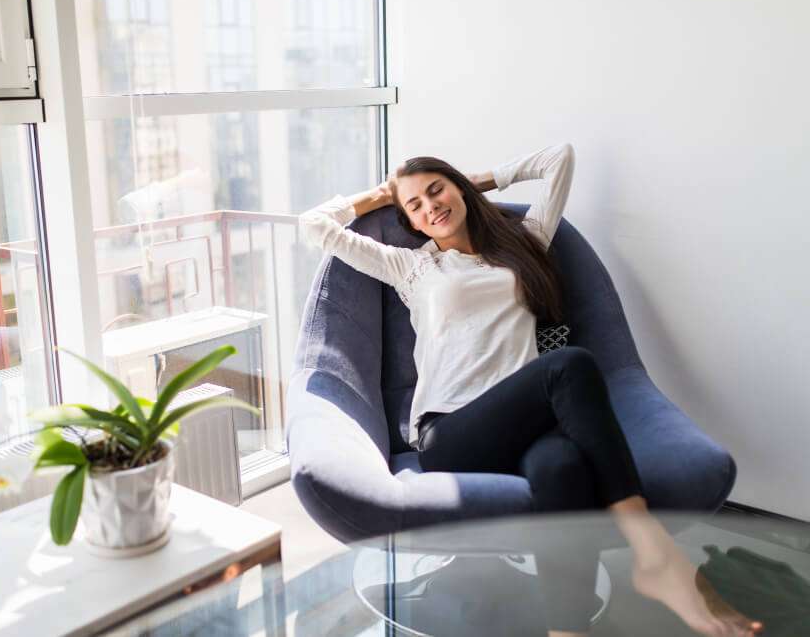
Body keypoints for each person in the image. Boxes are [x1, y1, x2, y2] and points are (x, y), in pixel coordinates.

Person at [297, 143, 762, 637]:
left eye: (438, 190)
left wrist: (482, 179)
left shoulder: (525, 242)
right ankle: (657, 557)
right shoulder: (410, 268)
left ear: (460, 189)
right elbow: (314, 225)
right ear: (409, 221)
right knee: (570, 366)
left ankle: (567, 629)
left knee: (565, 467)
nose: (430, 206)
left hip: (528, 425)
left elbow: (558, 160)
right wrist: (383, 194)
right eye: (415, 206)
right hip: (453, 432)